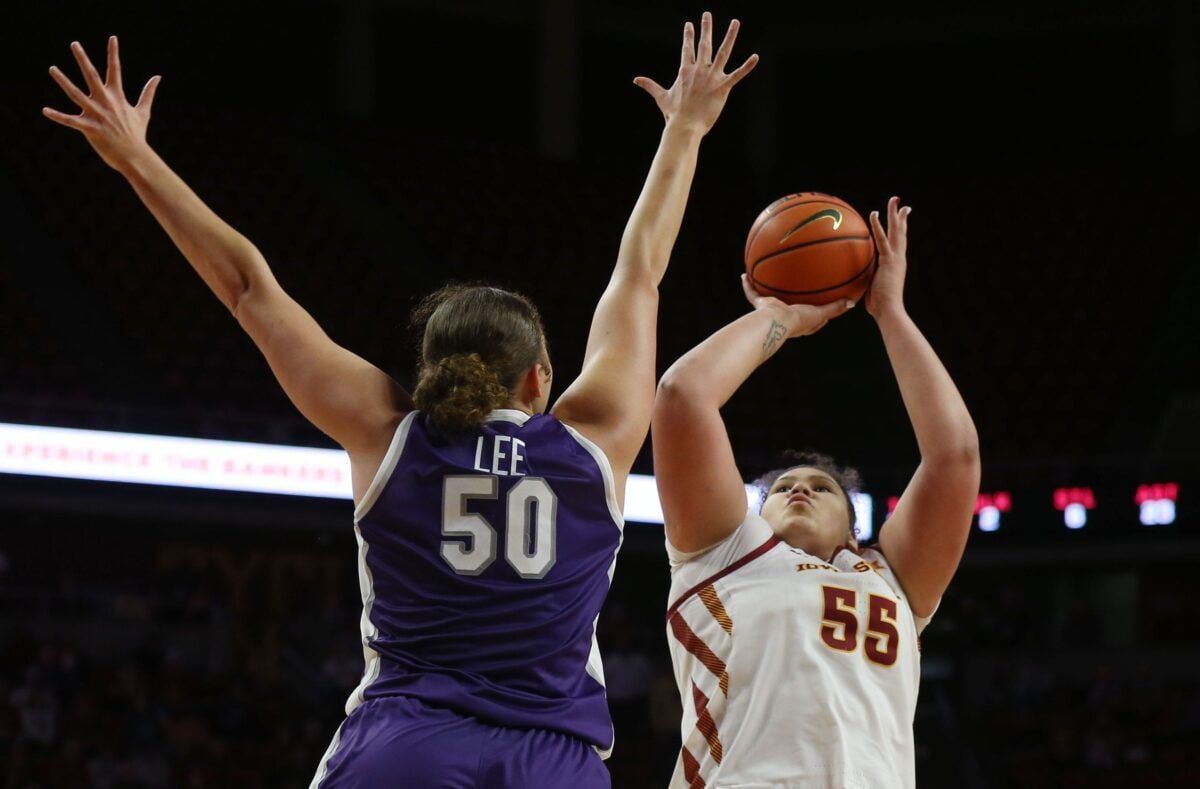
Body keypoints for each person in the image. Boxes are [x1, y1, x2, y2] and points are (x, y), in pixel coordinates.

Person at [43, 13, 757, 788]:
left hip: (408, 744)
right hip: (552, 760)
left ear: (428, 369)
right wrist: (684, 129)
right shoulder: (597, 439)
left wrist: (136, 160)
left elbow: (250, 286)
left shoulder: (387, 433)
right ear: (540, 379)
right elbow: (639, 272)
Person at [651, 198, 981, 788]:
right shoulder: (723, 555)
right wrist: (780, 316)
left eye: (821, 487)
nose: (800, 489)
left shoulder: (891, 577)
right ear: (756, 513)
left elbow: (955, 458)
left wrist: (891, 313)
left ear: (854, 525)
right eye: (782, 488)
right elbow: (682, 395)